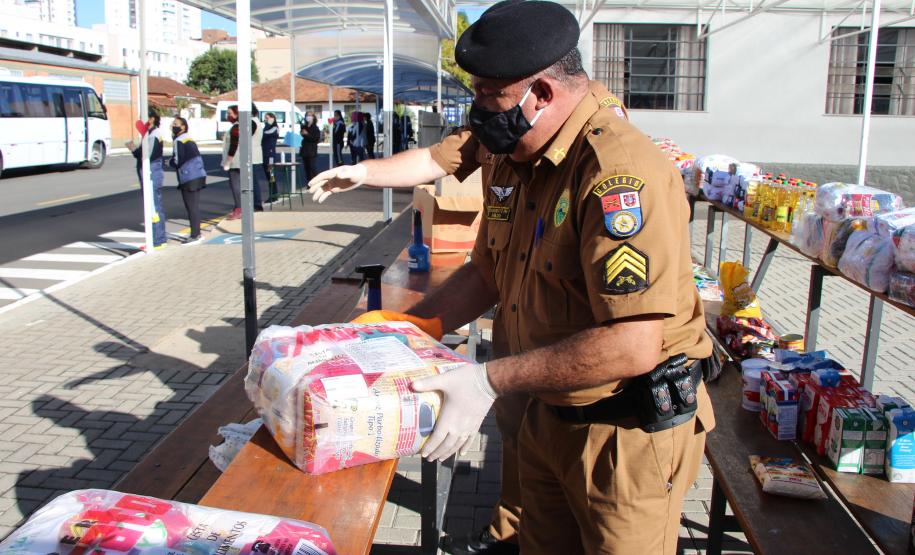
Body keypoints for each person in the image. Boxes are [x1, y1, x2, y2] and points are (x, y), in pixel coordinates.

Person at [306, 2, 713, 554]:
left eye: (487, 94)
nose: (477, 110)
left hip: (622, 437)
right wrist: (409, 333)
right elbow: (487, 272)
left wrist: (485, 381)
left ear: (540, 93)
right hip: (545, 415)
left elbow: (633, 343)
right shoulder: (514, 144)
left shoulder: (618, 174)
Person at [128, 114, 167, 249]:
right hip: (153, 170)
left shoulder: (153, 135)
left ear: (152, 119)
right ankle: (159, 239)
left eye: (145, 117)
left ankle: (156, 240)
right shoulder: (151, 134)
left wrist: (134, 149)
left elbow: (145, 155)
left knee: (153, 206)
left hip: (151, 171)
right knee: (155, 205)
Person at [221, 104, 265, 219]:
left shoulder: (250, 122)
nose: (228, 116)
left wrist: (228, 160)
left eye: (229, 113)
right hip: (249, 156)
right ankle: (251, 205)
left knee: (244, 183)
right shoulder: (254, 121)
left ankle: (249, 206)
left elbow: (238, 140)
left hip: (245, 156)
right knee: (250, 182)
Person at [169, 117, 207, 245]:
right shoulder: (189, 139)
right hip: (198, 174)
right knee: (194, 207)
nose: (173, 126)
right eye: (173, 124)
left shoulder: (179, 140)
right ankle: (196, 233)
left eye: (176, 124)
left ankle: (195, 235)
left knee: (191, 207)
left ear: (183, 126)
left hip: (188, 177)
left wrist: (169, 162)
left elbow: (177, 160)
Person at [261, 112, 279, 203]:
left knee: (271, 175)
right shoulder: (267, 127)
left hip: (270, 156)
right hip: (265, 155)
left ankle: (273, 195)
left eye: (267, 118)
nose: (265, 119)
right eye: (265, 118)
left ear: (272, 119)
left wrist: (268, 124)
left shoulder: (274, 128)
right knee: (268, 176)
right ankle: (273, 194)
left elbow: (264, 134)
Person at [299, 111, 321, 184]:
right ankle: (309, 183)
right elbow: (303, 136)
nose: (308, 117)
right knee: (306, 168)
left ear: (313, 117)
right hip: (305, 149)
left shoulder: (315, 128)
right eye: (307, 115)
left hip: (311, 150)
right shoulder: (304, 126)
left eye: (310, 115)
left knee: (312, 167)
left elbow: (316, 138)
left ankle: (317, 182)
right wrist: (302, 133)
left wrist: (307, 134)